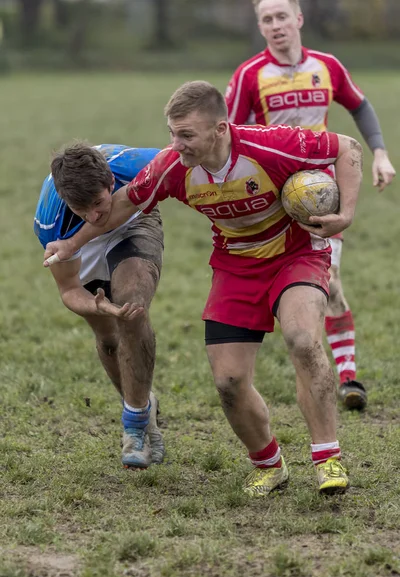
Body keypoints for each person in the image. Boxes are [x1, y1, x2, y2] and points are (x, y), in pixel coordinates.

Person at [43, 81, 363, 496]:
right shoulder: (172, 166)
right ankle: (269, 464)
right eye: (172, 133)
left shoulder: (274, 145)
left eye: (186, 135)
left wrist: (347, 214)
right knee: (228, 381)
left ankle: (327, 457)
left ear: (220, 128)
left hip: (295, 255)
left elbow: (347, 147)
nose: (176, 143)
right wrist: (70, 244)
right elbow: (125, 202)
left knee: (302, 339)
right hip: (235, 266)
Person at [225, 0, 396, 411]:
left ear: (298, 20)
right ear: (261, 27)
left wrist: (380, 153)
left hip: (322, 191)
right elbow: (230, 134)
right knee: (295, 289)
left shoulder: (327, 65)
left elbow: (359, 105)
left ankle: (349, 377)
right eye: (266, 19)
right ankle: (308, 363)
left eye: (282, 16)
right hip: (273, 195)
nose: (275, 25)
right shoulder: (250, 74)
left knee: (332, 280)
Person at [35, 143, 165, 470]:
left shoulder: (139, 165)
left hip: (132, 220)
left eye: (97, 203)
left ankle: (134, 427)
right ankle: (142, 406)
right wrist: (100, 309)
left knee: (131, 307)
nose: (93, 216)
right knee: (109, 338)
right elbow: (69, 289)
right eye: (81, 209)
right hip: (81, 246)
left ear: (110, 182)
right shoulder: (51, 224)